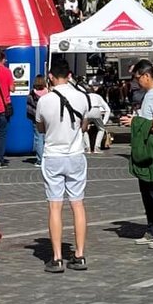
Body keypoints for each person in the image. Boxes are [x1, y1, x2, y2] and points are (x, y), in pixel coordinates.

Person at [34, 59, 99, 272]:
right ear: (69, 75)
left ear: (51, 76)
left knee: (55, 206)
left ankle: (57, 257)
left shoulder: (44, 100)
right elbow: (84, 124)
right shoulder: (82, 97)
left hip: (53, 155)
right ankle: (79, 254)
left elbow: (41, 127)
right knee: (77, 204)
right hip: (75, 154)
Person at [120, 58, 153, 247]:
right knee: (146, 192)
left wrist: (135, 122)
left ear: (147, 76)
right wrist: (135, 118)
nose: (137, 82)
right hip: (145, 147)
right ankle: (152, 230)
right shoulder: (149, 94)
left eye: (138, 78)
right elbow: (148, 119)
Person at [25, 74, 48, 165]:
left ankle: (39, 159)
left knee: (38, 138)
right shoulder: (48, 92)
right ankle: (47, 158)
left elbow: (29, 108)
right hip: (47, 118)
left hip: (36, 118)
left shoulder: (31, 94)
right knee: (46, 139)